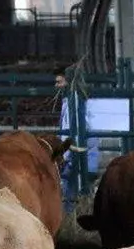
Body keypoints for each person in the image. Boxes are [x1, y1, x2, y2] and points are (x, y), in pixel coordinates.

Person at [57, 66, 101, 214]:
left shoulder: (74, 101)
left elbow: (72, 131)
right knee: (84, 190)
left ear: (68, 81)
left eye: (60, 82)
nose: (57, 86)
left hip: (75, 153)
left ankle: (71, 216)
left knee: (70, 189)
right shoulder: (83, 98)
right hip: (86, 154)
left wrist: (65, 156)